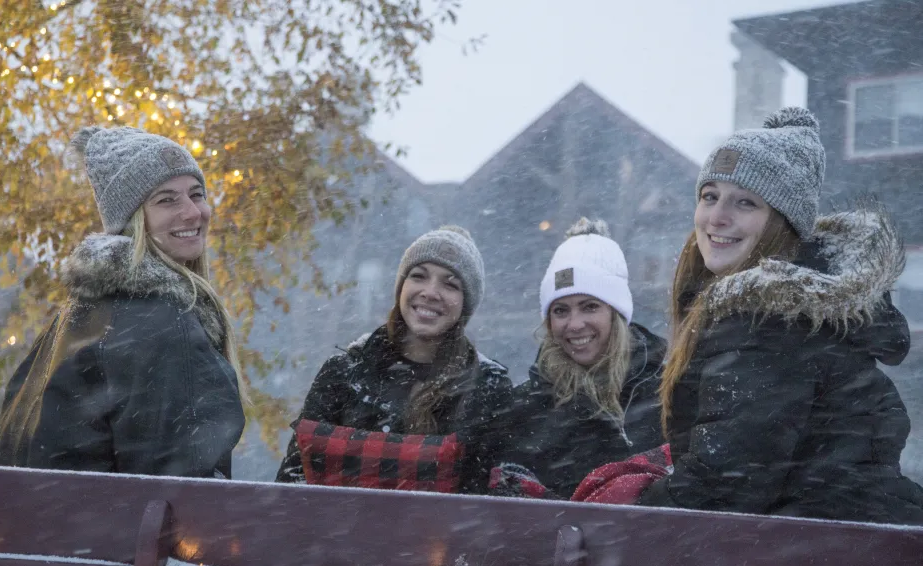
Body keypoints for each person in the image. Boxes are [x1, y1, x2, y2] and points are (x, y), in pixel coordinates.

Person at [638, 107, 923, 524]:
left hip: (822, 559)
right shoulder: (789, 312)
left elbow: (724, 485)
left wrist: (634, 507)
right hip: (845, 542)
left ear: (781, 222)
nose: (717, 216)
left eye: (745, 202)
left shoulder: (768, 321)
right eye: (709, 195)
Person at [0, 126, 246, 478]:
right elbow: (178, 489)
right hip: (107, 531)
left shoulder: (83, 313)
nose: (193, 212)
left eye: (197, 194)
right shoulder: (159, 322)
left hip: (48, 527)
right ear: (131, 221)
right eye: (166, 199)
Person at [275, 225, 513, 494]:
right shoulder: (343, 373)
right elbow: (293, 481)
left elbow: (487, 502)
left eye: (450, 284)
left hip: (442, 535)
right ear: (401, 287)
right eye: (419, 276)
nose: (430, 292)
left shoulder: (488, 387)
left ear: (465, 303)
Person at [493, 218, 666, 499]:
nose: (575, 325)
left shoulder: (665, 394)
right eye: (561, 310)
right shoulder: (524, 408)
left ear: (616, 313)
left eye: (590, 307)